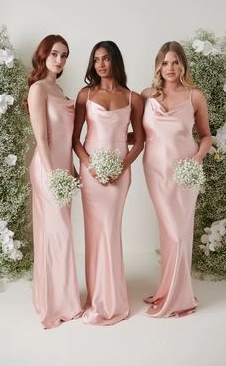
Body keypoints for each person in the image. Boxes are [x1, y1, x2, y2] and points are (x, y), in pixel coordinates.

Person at [73, 40, 144, 325]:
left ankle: (113, 298)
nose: (100, 64)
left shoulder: (133, 98)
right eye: (96, 59)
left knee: (111, 232)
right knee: (94, 233)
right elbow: (75, 139)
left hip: (119, 175)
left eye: (105, 59)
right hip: (91, 174)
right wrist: (89, 165)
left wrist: (121, 166)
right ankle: (96, 296)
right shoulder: (85, 95)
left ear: (115, 61)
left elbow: (139, 141)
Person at [141, 41, 212, 317]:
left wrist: (196, 161)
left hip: (185, 170)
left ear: (183, 65)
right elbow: (136, 134)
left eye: (175, 62)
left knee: (180, 233)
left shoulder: (195, 96)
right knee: (169, 232)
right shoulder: (147, 95)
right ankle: (167, 290)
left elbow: (205, 136)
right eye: (165, 63)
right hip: (156, 170)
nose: (170, 68)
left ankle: (179, 296)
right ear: (158, 66)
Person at [27, 35, 82, 328]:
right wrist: (52, 174)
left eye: (65, 56)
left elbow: (66, 139)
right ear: (44, 55)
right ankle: (54, 303)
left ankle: (64, 298)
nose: (60, 60)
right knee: (56, 232)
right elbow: (42, 137)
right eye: (55, 54)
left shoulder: (59, 89)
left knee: (62, 233)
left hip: (64, 169)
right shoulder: (39, 89)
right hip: (47, 170)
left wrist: (70, 168)